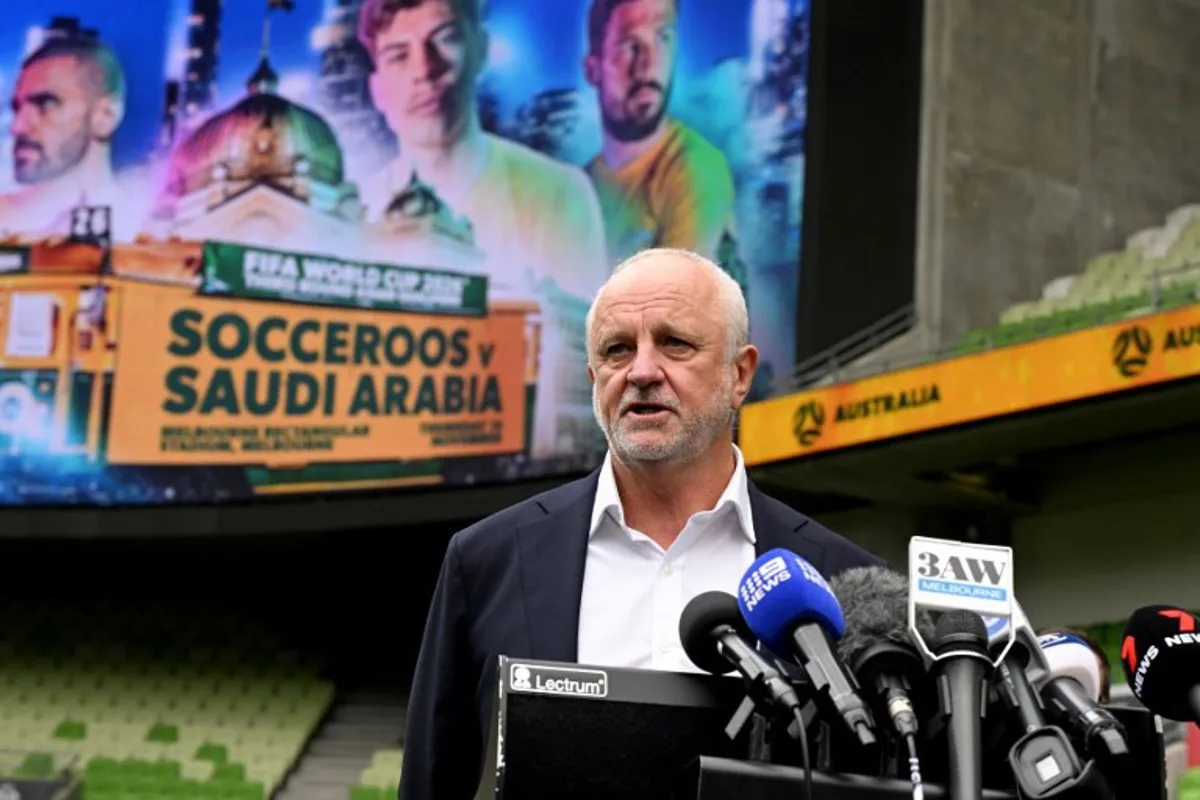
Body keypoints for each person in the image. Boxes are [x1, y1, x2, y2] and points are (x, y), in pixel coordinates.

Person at [398, 247, 885, 800]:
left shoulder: (844, 582)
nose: (643, 371)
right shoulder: (486, 560)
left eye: (675, 344)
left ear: (740, 374)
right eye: (617, 350)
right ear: (593, 378)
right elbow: (431, 783)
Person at [357, 0, 608, 302]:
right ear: (377, 91)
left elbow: (576, 343)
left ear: (480, 49)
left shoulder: (559, 197)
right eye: (399, 56)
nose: (424, 70)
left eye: (445, 38)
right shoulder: (357, 211)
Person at [583, 0, 737, 262]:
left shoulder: (697, 169)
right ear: (593, 70)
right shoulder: (579, 184)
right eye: (630, 45)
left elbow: (678, 300)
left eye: (663, 38)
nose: (649, 64)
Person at [0, 36, 136, 241]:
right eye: (17, 108)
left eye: (46, 103)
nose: (17, 127)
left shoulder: (140, 223)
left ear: (106, 116)